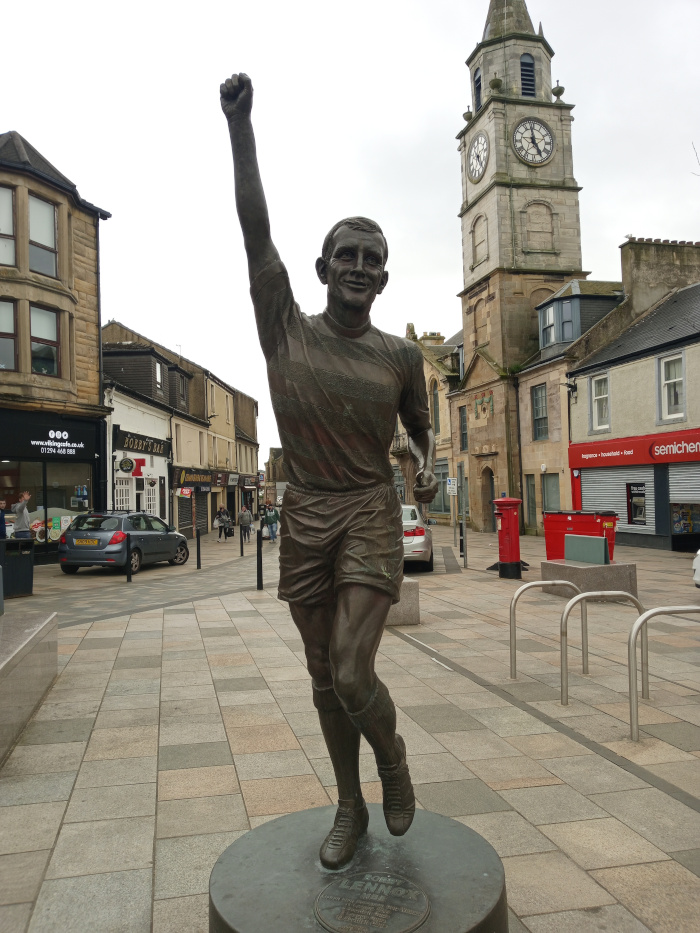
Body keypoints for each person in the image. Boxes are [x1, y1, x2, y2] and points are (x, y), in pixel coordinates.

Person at [220, 74, 437, 870]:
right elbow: (254, 228)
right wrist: (241, 130)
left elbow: (421, 432)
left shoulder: (401, 356)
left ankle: (393, 759)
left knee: (353, 668)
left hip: (370, 511)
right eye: (345, 254)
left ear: (383, 277)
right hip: (305, 511)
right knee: (322, 675)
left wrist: (427, 464)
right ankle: (349, 803)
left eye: (371, 259)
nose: (357, 265)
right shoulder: (284, 327)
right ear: (321, 268)